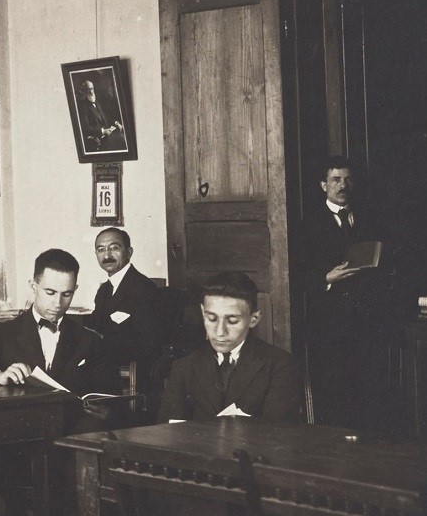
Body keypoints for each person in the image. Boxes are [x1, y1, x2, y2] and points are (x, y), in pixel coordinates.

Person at [0, 248, 108, 395]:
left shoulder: (89, 339)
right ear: (33, 286)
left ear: (75, 290)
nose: (58, 303)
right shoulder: (2, 333)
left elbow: (109, 393)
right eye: (50, 292)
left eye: (66, 294)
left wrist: (104, 411)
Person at [303, 157, 392, 431]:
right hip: (329, 324)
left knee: (368, 392)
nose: (342, 185)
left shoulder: (369, 217)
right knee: (335, 392)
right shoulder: (308, 223)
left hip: (366, 321)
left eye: (347, 179)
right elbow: (294, 271)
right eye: (335, 180)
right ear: (323, 185)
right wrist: (325, 278)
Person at [158, 272, 304, 423]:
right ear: (202, 312)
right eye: (211, 319)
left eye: (232, 321)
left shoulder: (280, 366)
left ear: (254, 319)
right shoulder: (184, 367)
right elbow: (166, 429)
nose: (220, 332)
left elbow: (279, 432)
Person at [87, 228, 163, 376]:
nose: (107, 255)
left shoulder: (144, 288)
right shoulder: (104, 290)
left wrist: (103, 343)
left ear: (129, 252)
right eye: (101, 249)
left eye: (114, 248)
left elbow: (148, 344)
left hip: (132, 370)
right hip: (105, 365)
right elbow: (96, 326)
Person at [76, 80, 126, 152]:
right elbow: (85, 128)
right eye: (88, 89)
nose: (91, 92)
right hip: (98, 137)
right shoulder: (83, 106)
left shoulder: (97, 102)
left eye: (92, 89)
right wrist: (102, 131)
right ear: (85, 91)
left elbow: (105, 118)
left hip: (108, 133)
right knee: (120, 140)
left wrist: (116, 123)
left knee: (122, 137)